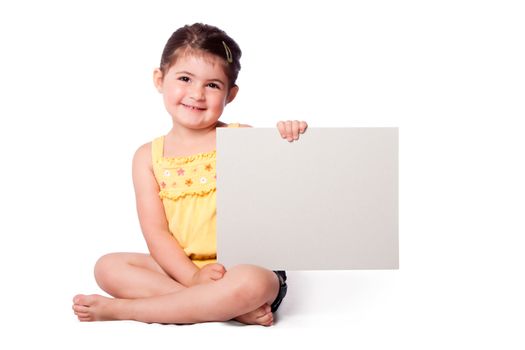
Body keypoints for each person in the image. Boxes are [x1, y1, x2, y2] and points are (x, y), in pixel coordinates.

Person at [72, 23, 308, 326]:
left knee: (251, 282)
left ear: (230, 94)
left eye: (213, 85)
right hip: (183, 269)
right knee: (108, 267)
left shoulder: (244, 140)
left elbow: (288, 189)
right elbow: (156, 234)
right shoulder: (147, 157)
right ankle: (223, 306)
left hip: (241, 267)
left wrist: (289, 140)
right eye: (185, 78)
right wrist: (193, 277)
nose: (196, 94)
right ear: (160, 79)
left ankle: (125, 310)